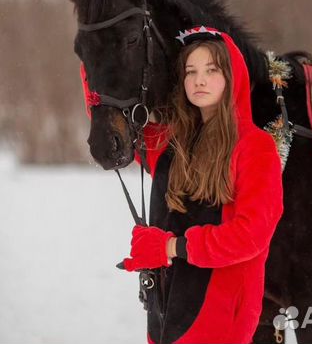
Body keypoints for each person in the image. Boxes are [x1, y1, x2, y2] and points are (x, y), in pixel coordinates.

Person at [119, 26, 283, 344]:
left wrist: (170, 247)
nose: (199, 80)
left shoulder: (255, 147)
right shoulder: (174, 142)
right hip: (168, 308)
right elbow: (110, 114)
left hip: (221, 314)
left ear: (232, 77)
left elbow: (251, 235)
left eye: (211, 70)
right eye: (191, 71)